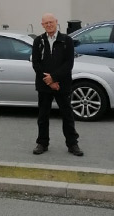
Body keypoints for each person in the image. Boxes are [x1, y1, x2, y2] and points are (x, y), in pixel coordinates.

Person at [31, 13, 83, 157]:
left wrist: (54, 78)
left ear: (56, 22)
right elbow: (36, 63)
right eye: (46, 23)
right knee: (43, 116)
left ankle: (73, 144)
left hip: (62, 84)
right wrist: (48, 81)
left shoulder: (66, 40)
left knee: (67, 115)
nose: (49, 25)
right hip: (44, 85)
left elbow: (69, 64)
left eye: (51, 22)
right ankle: (42, 143)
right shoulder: (39, 41)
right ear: (42, 25)